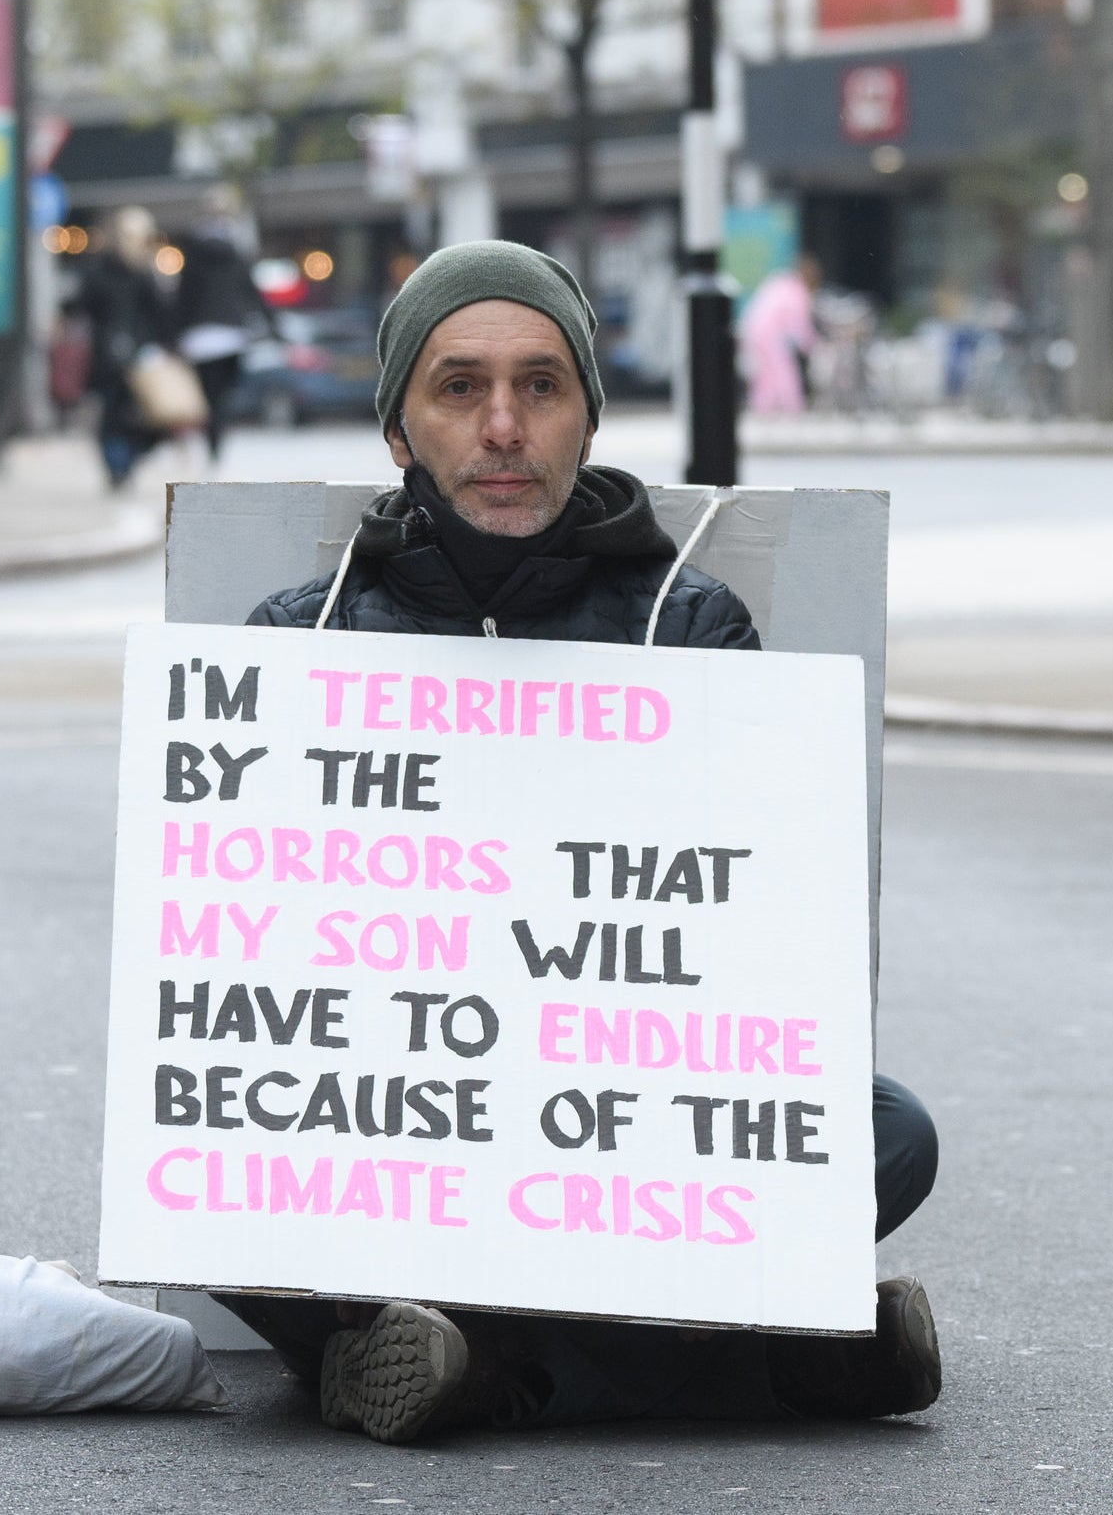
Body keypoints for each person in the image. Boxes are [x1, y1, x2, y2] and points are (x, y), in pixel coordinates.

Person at [222, 239, 942, 1444]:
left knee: (888, 1131)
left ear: (586, 417)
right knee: (205, 1145)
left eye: (539, 386)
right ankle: (747, 1355)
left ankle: (463, 1361)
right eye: (459, 388)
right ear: (398, 429)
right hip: (400, 1109)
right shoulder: (308, 634)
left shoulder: (690, 627)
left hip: (620, 1107)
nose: (502, 426)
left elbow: (746, 938)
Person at [70, 206, 171, 489]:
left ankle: (120, 464)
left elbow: (83, 306)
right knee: (123, 416)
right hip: (125, 357)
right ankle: (120, 465)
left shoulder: (113, 270)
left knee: (121, 417)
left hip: (121, 356)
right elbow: (160, 315)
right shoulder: (138, 272)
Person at [171, 185, 274, 460]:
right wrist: (273, 326)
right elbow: (251, 292)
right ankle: (216, 444)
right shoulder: (237, 250)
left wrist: (174, 334)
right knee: (224, 397)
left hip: (200, 338)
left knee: (206, 395)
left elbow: (184, 297)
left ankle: (209, 441)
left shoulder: (193, 253)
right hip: (232, 335)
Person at [740, 252, 817, 415]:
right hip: (768, 335)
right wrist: (811, 345)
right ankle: (792, 408)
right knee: (783, 371)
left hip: (753, 330)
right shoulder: (797, 291)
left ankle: (762, 407)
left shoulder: (781, 282)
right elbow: (799, 325)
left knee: (766, 374)